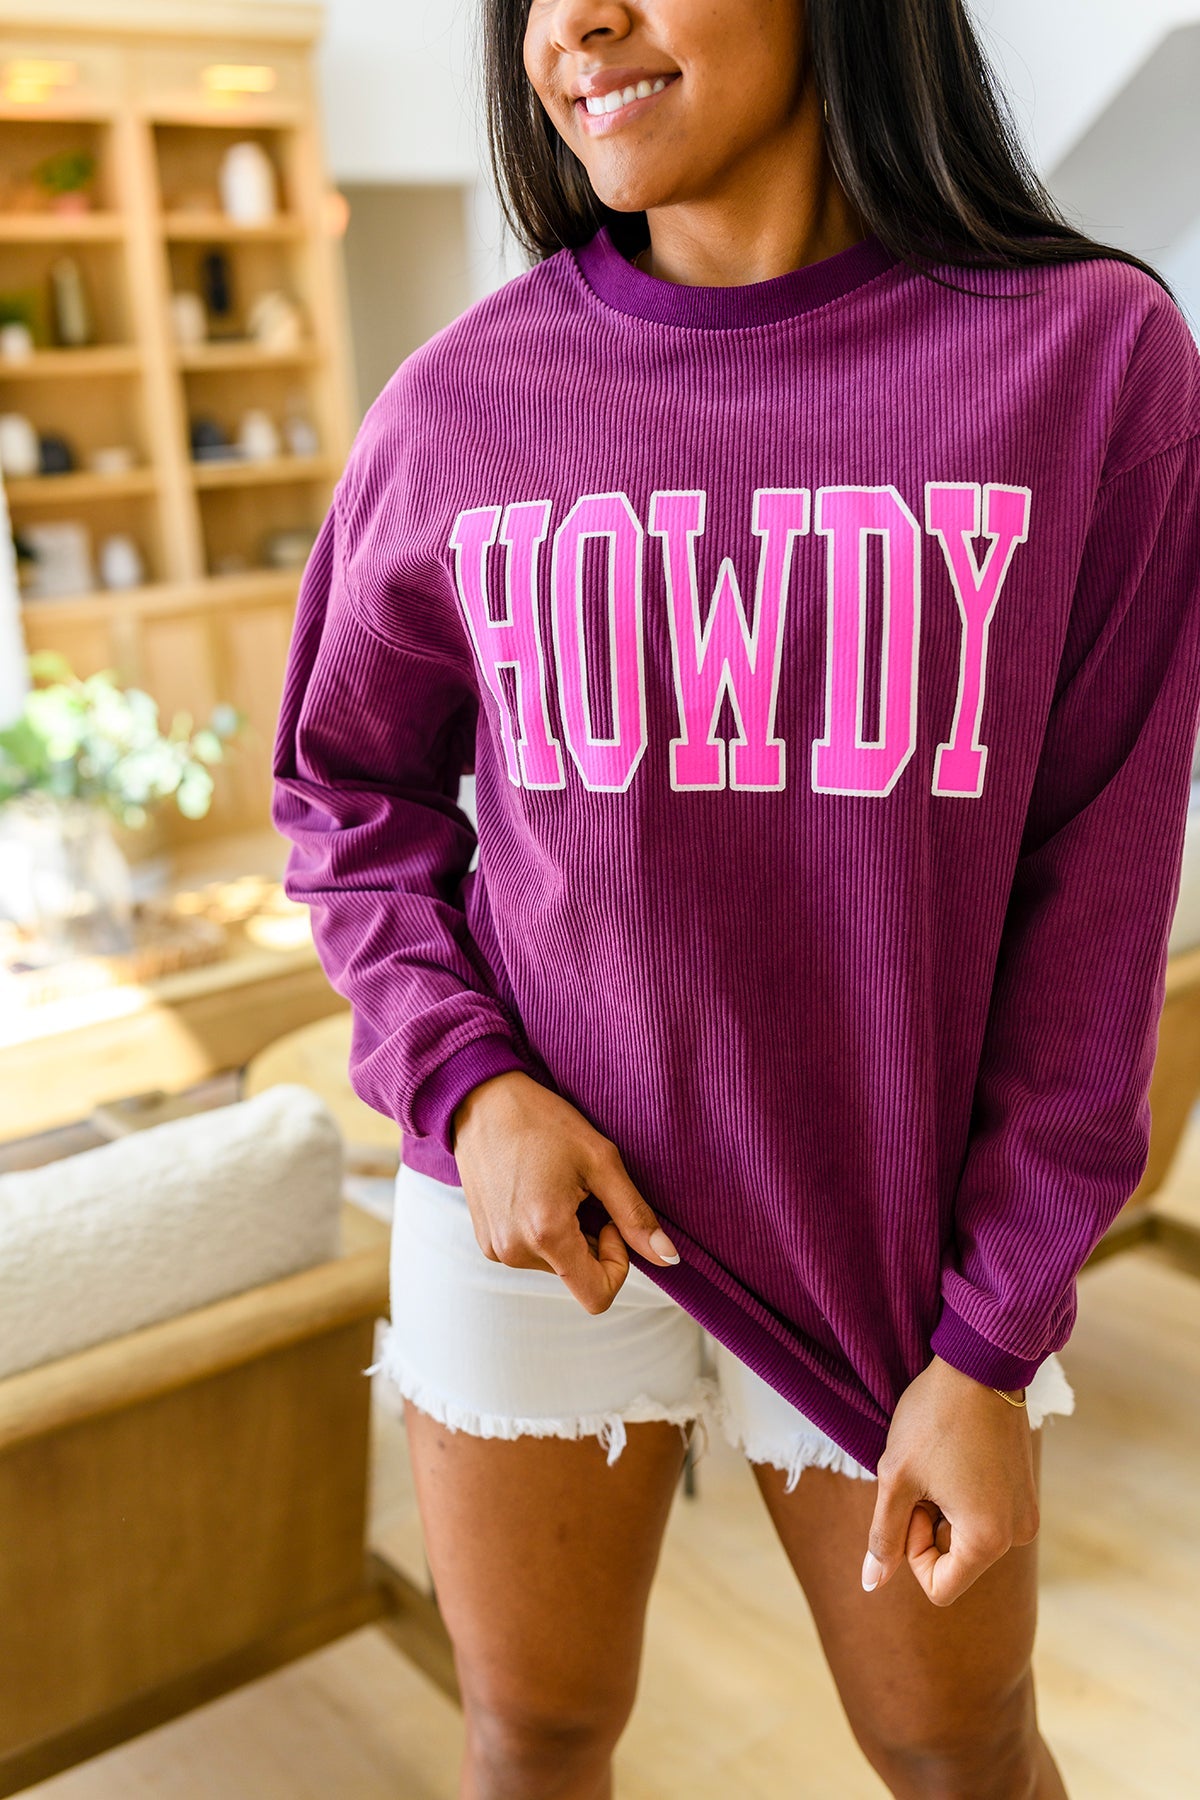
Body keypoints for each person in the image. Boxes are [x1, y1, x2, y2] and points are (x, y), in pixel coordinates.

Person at [271, 2, 1200, 1794]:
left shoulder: (1089, 360)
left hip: (894, 1236)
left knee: (959, 1747)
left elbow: (1096, 907)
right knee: (533, 1735)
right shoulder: (462, 405)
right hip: (530, 1214)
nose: (575, 25)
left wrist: (996, 1333)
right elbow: (344, 790)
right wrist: (472, 1087)